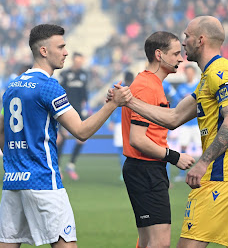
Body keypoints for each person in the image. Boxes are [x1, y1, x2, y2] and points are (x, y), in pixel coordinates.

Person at [111, 16, 228, 248]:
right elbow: (173, 118)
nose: (183, 44)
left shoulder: (219, 72)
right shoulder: (209, 77)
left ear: (200, 40)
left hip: (223, 175)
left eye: (187, 36)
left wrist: (202, 163)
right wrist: (129, 101)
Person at [0, 24, 131, 248]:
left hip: (13, 182)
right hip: (43, 182)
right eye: (60, 47)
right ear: (43, 51)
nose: (66, 52)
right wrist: (113, 105)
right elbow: (81, 131)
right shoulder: (49, 86)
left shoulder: (12, 86)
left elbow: (2, 128)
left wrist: (11, 159)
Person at [121, 31, 195, 248]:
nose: (180, 59)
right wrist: (175, 157)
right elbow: (137, 139)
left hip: (147, 169)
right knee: (160, 243)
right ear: (159, 55)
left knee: (146, 242)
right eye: (175, 54)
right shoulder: (147, 86)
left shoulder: (151, 84)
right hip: (145, 169)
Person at [56, 52, 89, 180]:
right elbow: (59, 92)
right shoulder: (65, 74)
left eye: (81, 61)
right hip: (66, 111)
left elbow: (85, 94)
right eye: (78, 61)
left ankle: (71, 165)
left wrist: (87, 107)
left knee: (82, 139)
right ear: (74, 61)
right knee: (61, 138)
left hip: (79, 111)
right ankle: (57, 166)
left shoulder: (84, 75)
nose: (79, 63)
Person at [173, 65, 202, 182]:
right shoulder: (181, 87)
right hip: (185, 123)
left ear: (194, 73)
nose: (188, 75)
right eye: (186, 73)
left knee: (203, 147)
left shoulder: (199, 85)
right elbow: (179, 104)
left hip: (198, 123)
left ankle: (203, 171)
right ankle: (182, 173)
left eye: (190, 72)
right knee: (183, 146)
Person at [108, 71, 134, 181]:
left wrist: (111, 120)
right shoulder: (133, 87)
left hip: (123, 122)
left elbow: (111, 103)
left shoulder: (120, 88)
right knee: (124, 147)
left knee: (123, 148)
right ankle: (126, 172)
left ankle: (126, 171)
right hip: (128, 121)